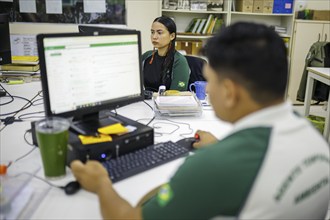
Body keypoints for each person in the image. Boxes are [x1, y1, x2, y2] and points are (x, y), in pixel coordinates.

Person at [71, 22, 330, 219]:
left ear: (229, 92)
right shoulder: (313, 136)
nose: (207, 89)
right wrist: (219, 147)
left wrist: (101, 184)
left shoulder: (214, 167)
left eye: (210, 80)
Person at [142, 16, 190, 92]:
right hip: (146, 102)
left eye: (159, 33)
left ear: (172, 36)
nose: (154, 37)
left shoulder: (179, 61)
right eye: (152, 32)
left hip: (167, 103)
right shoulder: (146, 56)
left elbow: (176, 95)